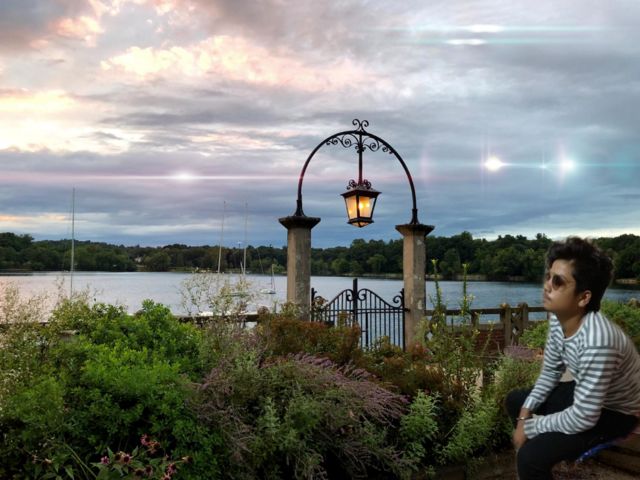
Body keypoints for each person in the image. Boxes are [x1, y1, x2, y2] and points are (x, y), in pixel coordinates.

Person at [505, 237, 640, 479]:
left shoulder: (598, 340)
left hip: (617, 412)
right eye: (548, 277)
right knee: (516, 401)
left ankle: (539, 458)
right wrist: (525, 415)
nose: (547, 286)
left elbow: (584, 416)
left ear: (583, 297)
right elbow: (550, 373)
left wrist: (531, 427)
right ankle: (547, 453)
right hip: (588, 395)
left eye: (558, 282)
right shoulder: (560, 319)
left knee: (529, 458)